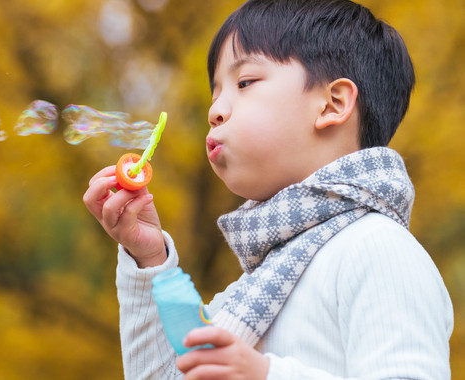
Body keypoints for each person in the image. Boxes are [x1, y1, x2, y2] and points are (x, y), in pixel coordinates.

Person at [83, 0, 453, 378]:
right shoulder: (258, 286)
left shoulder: (376, 249)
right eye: (215, 95)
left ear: (333, 103)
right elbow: (167, 375)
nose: (215, 111)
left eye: (244, 83)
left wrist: (264, 375)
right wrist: (150, 260)